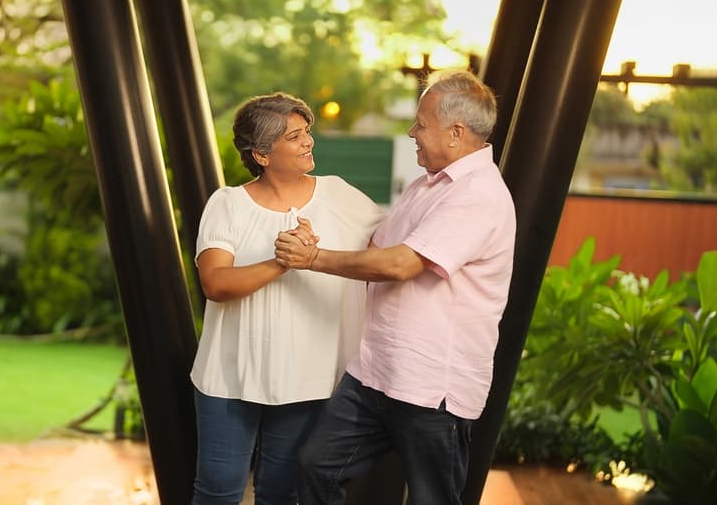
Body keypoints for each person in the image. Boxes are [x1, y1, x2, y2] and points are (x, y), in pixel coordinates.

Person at [274, 69, 516, 505]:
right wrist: (313, 235)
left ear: (456, 133)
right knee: (316, 466)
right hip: (375, 373)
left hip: (431, 388)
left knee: (431, 499)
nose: (412, 132)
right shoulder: (428, 185)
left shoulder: (479, 195)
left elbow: (402, 264)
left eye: (421, 124)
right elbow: (377, 245)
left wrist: (312, 259)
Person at [190, 92, 384, 505]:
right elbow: (216, 284)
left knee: (280, 495)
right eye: (295, 136)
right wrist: (284, 262)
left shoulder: (339, 196)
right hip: (229, 378)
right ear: (261, 154)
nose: (308, 141)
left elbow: (390, 248)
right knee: (217, 494)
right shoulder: (227, 205)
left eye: (307, 132)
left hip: (307, 379)